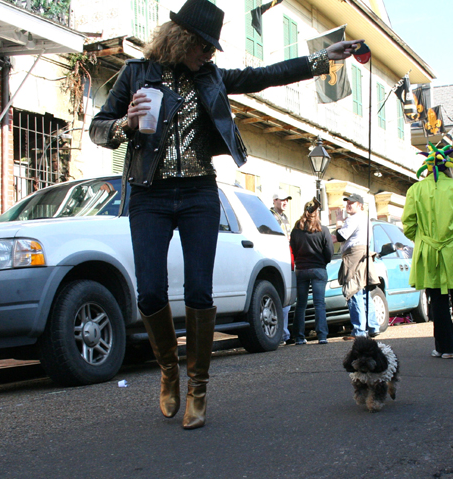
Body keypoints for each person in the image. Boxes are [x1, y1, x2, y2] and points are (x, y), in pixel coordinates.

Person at [89, 0, 363, 429]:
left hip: (199, 192)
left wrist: (319, 61)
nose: (210, 54)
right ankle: (168, 371)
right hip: (149, 195)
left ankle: (198, 385)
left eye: (213, 49)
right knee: (149, 293)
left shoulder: (211, 77)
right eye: (204, 46)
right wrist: (124, 124)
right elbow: (97, 127)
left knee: (200, 290)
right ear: (182, 40)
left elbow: (263, 76)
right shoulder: (135, 74)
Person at [402, 153, 453, 358]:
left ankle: (445, 348)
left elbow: (408, 224)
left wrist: (422, 237)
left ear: (427, 168)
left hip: (429, 249)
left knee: (437, 299)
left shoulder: (415, 190)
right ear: (448, 167)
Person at [335, 193, 380, 338]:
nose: (348, 205)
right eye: (347, 202)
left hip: (354, 255)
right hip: (364, 254)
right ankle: (373, 326)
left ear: (360, 205)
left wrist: (338, 224)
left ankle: (359, 331)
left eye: (352, 203)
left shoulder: (353, 219)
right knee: (364, 291)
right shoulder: (366, 219)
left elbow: (342, 236)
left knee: (353, 291)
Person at [290, 199, 333, 345]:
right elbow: (329, 252)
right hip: (318, 268)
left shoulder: (296, 230)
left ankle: (299, 337)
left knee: (300, 304)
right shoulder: (323, 230)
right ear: (316, 213)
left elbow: (293, 249)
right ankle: (322, 336)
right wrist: (323, 263)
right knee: (319, 303)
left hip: (301, 269)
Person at [271, 189, 293, 344]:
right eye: (281, 199)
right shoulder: (271, 216)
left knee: (286, 299)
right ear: (274, 201)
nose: (285, 202)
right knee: (280, 298)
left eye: (286, 200)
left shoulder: (284, 217)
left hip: (286, 257)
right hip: (277, 257)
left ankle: (284, 333)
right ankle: (281, 333)